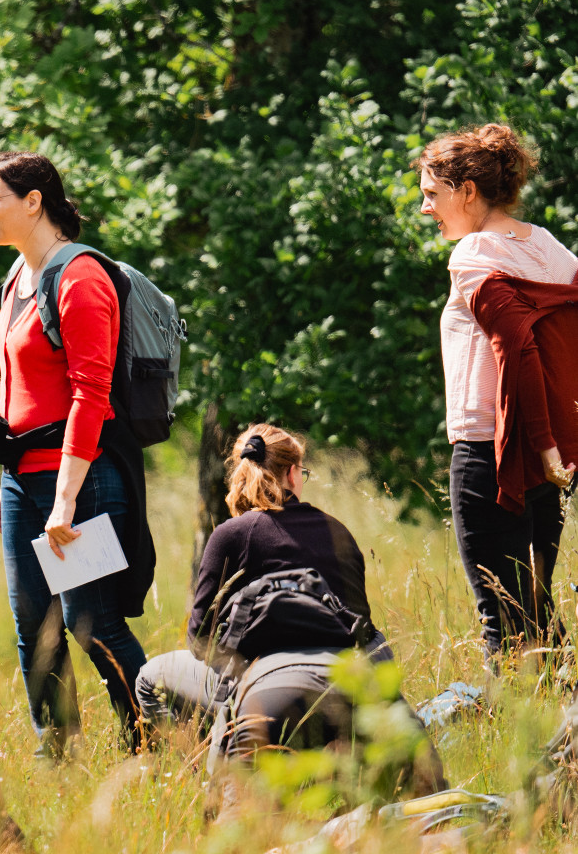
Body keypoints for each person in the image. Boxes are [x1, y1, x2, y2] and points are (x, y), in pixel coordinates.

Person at [134, 426, 441, 794]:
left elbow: (200, 641)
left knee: (149, 678)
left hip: (260, 680)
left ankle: (200, 770)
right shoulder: (337, 531)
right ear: (293, 473)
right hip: (344, 675)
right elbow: (362, 628)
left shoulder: (229, 535)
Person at [0, 151, 151, 752]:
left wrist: (64, 500)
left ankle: (154, 744)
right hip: (25, 483)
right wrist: (12, 483)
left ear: (34, 202)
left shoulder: (78, 277)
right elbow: (12, 385)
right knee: (36, 630)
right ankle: (60, 757)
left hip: (80, 482)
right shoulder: (16, 278)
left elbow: (91, 396)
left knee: (93, 624)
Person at [418, 124, 577, 659]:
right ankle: (563, 729)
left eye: (432, 194)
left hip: (493, 455)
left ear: (467, 190)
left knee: (503, 623)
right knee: (535, 612)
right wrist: (555, 444)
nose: (426, 209)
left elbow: (518, 348)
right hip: (541, 460)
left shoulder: (473, 255)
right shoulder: (552, 251)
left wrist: (547, 444)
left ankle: (518, 740)